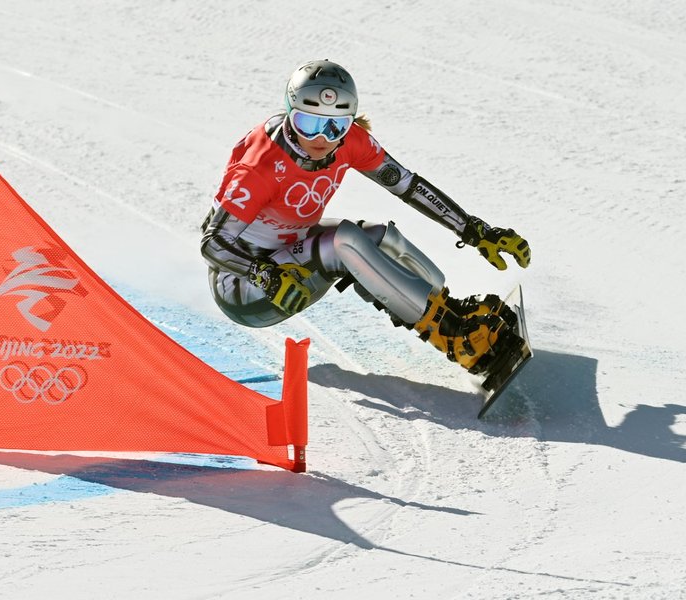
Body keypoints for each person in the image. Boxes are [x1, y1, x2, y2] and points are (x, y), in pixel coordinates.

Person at [200, 59, 531, 377]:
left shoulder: (352, 142)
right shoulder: (261, 165)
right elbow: (213, 243)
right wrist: (266, 275)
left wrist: (473, 230)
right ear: (290, 115)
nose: (320, 140)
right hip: (245, 290)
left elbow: (407, 185)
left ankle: (450, 311)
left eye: (334, 126)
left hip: (287, 256)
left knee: (377, 238)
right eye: (308, 123)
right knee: (346, 242)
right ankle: (453, 335)